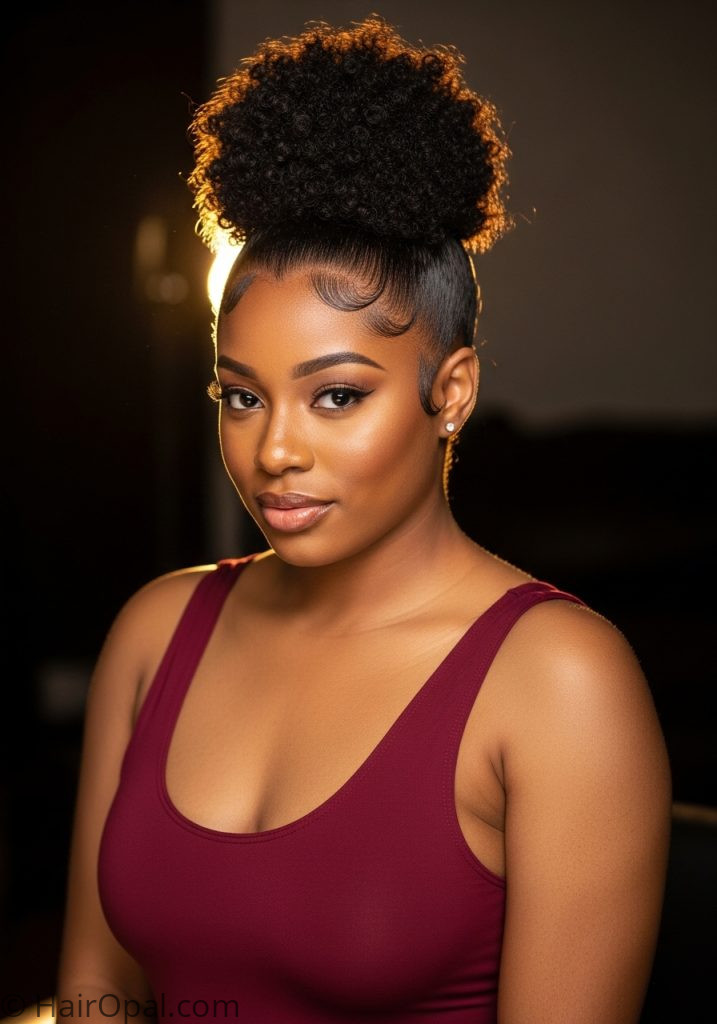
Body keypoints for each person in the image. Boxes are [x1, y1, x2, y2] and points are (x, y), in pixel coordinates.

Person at [54, 14, 671, 1024]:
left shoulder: (560, 682)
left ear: (453, 389)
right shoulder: (155, 633)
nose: (274, 450)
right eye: (241, 396)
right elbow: (93, 994)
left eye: (336, 394)